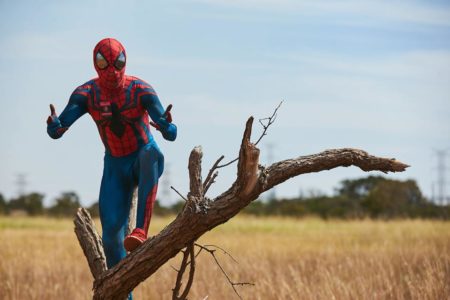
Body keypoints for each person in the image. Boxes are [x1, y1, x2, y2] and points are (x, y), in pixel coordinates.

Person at [46, 38, 177, 270]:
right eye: (104, 63)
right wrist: (53, 125)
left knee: (151, 155)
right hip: (114, 166)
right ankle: (123, 291)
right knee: (110, 239)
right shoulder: (86, 94)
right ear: (96, 65)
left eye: (118, 63)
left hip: (142, 156)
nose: (112, 71)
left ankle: (140, 230)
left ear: (125, 60)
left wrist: (167, 126)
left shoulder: (140, 90)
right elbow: (59, 129)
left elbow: (171, 133)